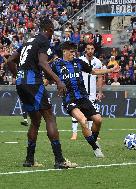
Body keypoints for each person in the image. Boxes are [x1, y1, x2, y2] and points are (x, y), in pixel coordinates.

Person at [7, 17, 77, 169]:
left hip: (21, 83)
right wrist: (58, 80)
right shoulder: (44, 41)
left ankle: (29, 160)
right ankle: (60, 160)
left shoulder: (27, 41)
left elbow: (10, 61)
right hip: (33, 82)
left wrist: (17, 76)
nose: (53, 35)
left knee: (35, 120)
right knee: (50, 117)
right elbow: (42, 63)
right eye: (53, 32)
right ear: (50, 30)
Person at [50, 41, 120, 158]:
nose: (73, 54)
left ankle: (93, 140)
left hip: (83, 97)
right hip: (69, 98)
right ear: (64, 52)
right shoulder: (56, 65)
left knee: (98, 120)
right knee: (82, 120)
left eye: (74, 52)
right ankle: (95, 148)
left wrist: (110, 70)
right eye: (71, 52)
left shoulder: (78, 62)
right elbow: (48, 78)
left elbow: (93, 71)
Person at [70, 43, 103, 140]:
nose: (90, 50)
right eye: (88, 49)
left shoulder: (98, 62)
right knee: (76, 112)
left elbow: (100, 77)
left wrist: (100, 92)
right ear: (85, 50)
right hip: (80, 91)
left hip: (92, 92)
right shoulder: (79, 61)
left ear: (94, 50)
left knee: (91, 113)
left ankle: (91, 133)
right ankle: (74, 133)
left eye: (92, 49)